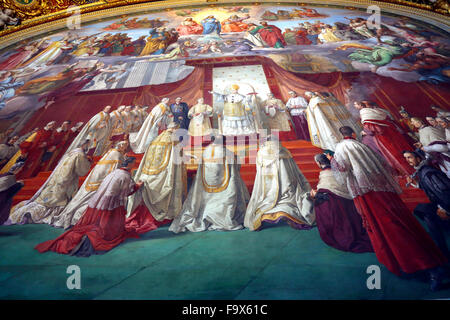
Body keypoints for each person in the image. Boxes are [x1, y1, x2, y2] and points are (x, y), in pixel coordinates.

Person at [331, 126, 447, 290]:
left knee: (390, 228)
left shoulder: (341, 147)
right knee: (402, 223)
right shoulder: (362, 146)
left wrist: (332, 161)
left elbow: (341, 170)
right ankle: (429, 263)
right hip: (382, 190)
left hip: (368, 195)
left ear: (341, 135)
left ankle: (422, 266)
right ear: (352, 134)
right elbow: (381, 165)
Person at [35, 157, 144, 257]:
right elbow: (127, 191)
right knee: (107, 229)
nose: (134, 165)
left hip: (100, 202)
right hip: (113, 203)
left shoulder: (115, 172)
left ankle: (86, 237)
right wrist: (138, 185)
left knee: (96, 224)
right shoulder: (125, 175)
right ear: (129, 164)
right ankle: (88, 240)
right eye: (133, 163)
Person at [169, 134, 249, 233]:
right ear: (222, 142)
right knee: (230, 190)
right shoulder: (226, 152)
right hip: (222, 184)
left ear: (212, 141)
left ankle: (206, 213)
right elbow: (235, 166)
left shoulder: (205, 151)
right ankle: (221, 216)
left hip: (206, 183)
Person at [7, 139, 92, 226]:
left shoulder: (71, 152)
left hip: (57, 180)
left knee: (46, 201)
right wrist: (89, 162)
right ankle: (28, 215)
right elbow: (82, 171)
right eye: (88, 145)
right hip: (65, 181)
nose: (88, 147)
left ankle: (25, 214)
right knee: (53, 203)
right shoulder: (80, 155)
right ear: (84, 144)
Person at [50, 140, 129, 229]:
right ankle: (78, 219)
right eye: (125, 145)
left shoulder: (111, 152)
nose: (126, 147)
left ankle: (71, 216)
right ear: (121, 146)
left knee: (82, 198)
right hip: (99, 181)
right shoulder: (117, 155)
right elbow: (118, 168)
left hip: (94, 179)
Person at [126, 123, 187, 234]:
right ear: (174, 129)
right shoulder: (173, 140)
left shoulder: (156, 139)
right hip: (162, 173)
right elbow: (177, 159)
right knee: (166, 187)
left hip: (149, 173)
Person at [244, 136, 315, 231]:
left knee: (266, 201)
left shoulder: (261, 153)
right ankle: (285, 210)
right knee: (291, 193)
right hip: (287, 188)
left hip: (268, 191)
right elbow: (292, 173)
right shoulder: (284, 151)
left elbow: (259, 175)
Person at [310, 154, 373, 253]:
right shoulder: (337, 170)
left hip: (336, 207)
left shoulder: (325, 174)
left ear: (319, 163)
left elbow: (326, 193)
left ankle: (334, 232)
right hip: (348, 203)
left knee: (320, 203)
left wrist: (315, 195)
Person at [403, 150, 450, 259]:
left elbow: (445, 192)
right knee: (421, 210)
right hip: (441, 202)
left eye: (409, 157)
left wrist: (443, 209)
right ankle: (442, 249)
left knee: (427, 214)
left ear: (419, 158)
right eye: (406, 158)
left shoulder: (428, 173)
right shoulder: (422, 171)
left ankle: (443, 251)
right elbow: (430, 189)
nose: (407, 161)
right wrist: (416, 184)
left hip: (446, 204)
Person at [354, 101, 414, 176]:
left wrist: (365, 132)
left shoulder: (365, 112)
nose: (354, 106)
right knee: (402, 150)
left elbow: (373, 129)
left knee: (394, 154)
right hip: (393, 133)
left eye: (355, 104)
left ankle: (408, 172)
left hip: (384, 138)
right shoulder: (378, 111)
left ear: (360, 105)